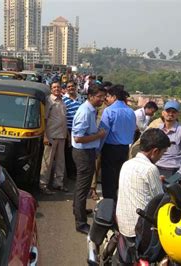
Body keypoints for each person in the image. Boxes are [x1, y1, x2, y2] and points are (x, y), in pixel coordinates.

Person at [115, 128, 171, 246]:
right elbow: (160, 201)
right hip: (139, 229)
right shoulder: (150, 169)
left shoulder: (127, 163)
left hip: (122, 223)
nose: (161, 157)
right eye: (162, 153)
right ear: (155, 151)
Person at [72, 84, 107, 235]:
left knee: (83, 186)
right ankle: (80, 223)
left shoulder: (91, 110)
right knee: (82, 187)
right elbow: (78, 137)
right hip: (83, 153)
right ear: (91, 96)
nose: (102, 100)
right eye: (99, 97)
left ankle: (78, 209)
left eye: (103, 97)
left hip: (87, 151)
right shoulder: (85, 112)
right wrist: (98, 136)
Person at [99, 85, 136, 202]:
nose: (107, 99)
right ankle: (117, 204)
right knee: (119, 177)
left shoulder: (109, 111)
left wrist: (97, 149)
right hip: (124, 148)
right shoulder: (131, 112)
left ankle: (108, 206)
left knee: (108, 178)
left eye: (108, 97)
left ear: (114, 97)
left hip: (110, 148)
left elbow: (103, 132)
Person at [155, 100, 181, 184]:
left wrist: (177, 176)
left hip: (172, 171)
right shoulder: (158, 129)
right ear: (163, 113)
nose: (170, 114)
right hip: (156, 169)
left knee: (167, 197)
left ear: (178, 114)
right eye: (168, 111)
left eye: (174, 112)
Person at [39, 81, 68, 194]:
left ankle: (58, 183)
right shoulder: (49, 101)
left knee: (61, 162)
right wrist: (45, 135)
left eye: (58, 87)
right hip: (51, 136)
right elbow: (44, 119)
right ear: (51, 89)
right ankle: (43, 185)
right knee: (47, 162)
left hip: (62, 135)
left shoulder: (62, 101)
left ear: (61, 88)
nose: (56, 89)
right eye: (54, 87)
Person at [62, 81, 83, 180]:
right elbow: (63, 117)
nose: (71, 88)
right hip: (69, 129)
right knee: (69, 152)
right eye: (68, 87)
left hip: (80, 130)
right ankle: (71, 174)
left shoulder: (81, 98)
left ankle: (77, 172)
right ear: (66, 88)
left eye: (72, 86)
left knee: (79, 151)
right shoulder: (63, 100)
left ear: (76, 87)